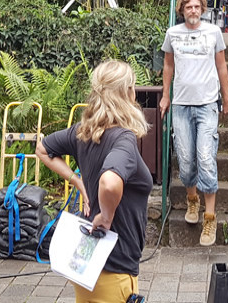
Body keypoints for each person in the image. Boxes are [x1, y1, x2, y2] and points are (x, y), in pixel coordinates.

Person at [35, 60, 153, 303]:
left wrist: (77, 181)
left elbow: (42, 149)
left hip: (88, 267)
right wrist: (106, 216)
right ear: (127, 93)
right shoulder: (124, 140)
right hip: (116, 271)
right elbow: (109, 182)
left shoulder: (83, 132)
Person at [159, 0, 228, 246]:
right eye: (188, 7)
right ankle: (192, 201)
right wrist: (166, 96)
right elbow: (168, 65)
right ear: (182, 10)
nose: (193, 11)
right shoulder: (173, 34)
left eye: (197, 7)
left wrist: (227, 96)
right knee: (187, 161)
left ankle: (209, 218)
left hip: (207, 104)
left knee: (205, 158)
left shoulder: (213, 33)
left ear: (202, 9)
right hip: (180, 104)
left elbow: (221, 65)